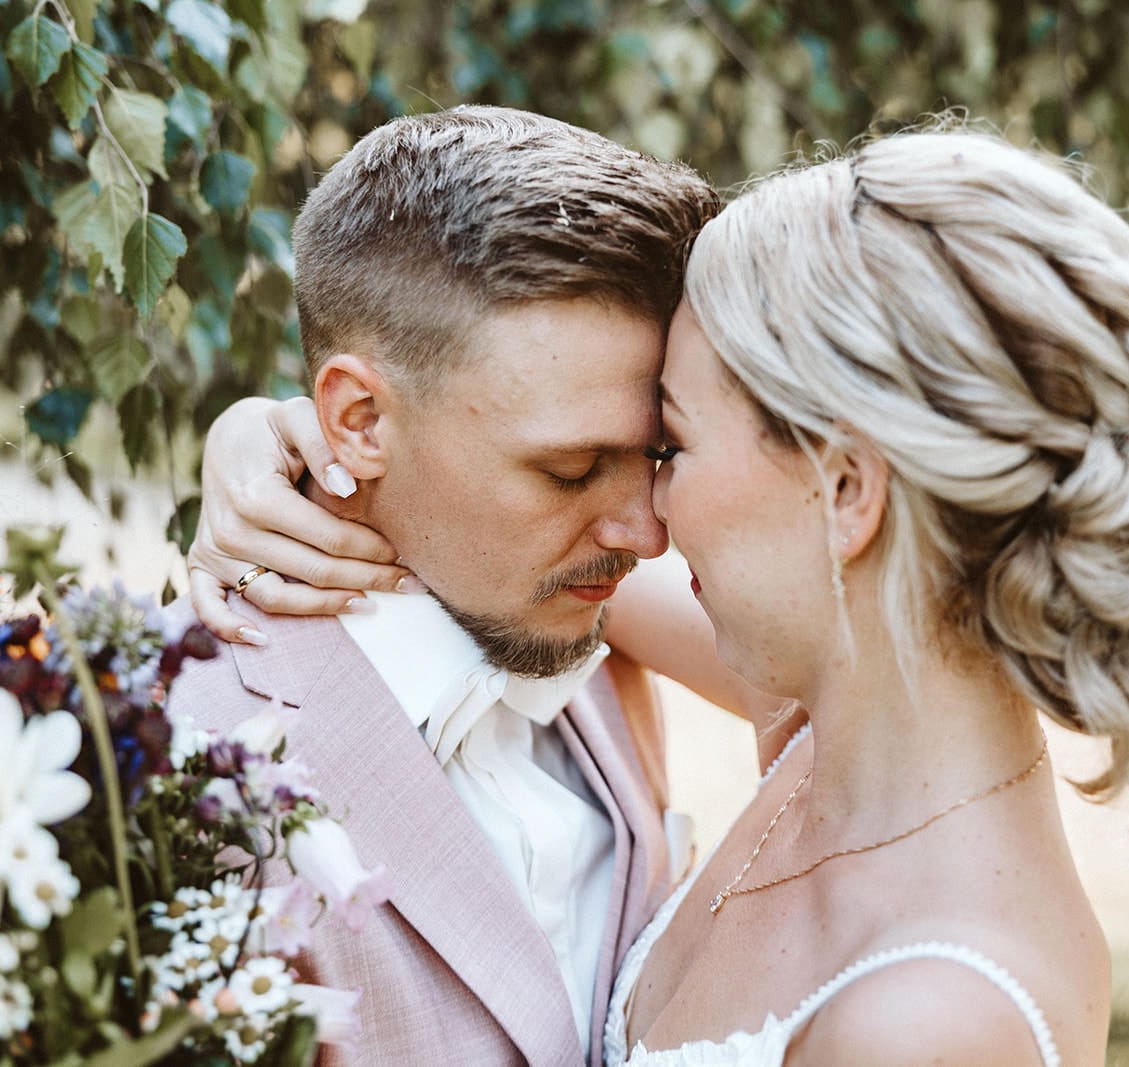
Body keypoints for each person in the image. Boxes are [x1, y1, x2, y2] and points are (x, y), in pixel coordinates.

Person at [192, 124, 1129, 1064]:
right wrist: (278, 446)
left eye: (671, 445)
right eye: (595, 463)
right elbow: (473, 538)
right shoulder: (842, 719)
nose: (648, 521)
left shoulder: (928, 1014)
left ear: (845, 492)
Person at [167, 104, 732, 1067]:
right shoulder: (181, 771)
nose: (645, 531)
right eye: (570, 468)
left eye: (658, 454)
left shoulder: (598, 632)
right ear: (356, 418)